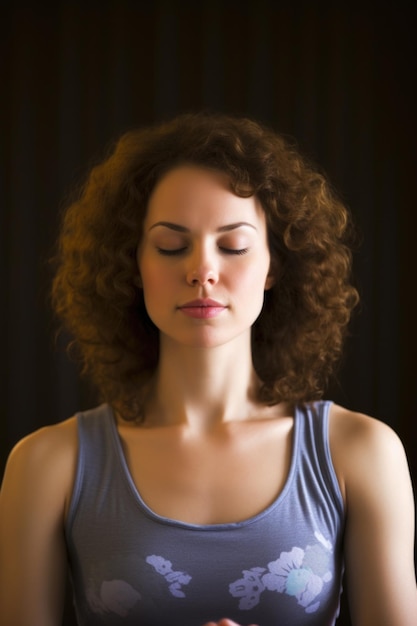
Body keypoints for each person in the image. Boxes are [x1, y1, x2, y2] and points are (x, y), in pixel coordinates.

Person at [0, 112, 416, 626]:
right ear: (133, 265)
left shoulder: (359, 452)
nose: (202, 270)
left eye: (233, 246)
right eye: (171, 245)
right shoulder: (48, 464)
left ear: (274, 264)